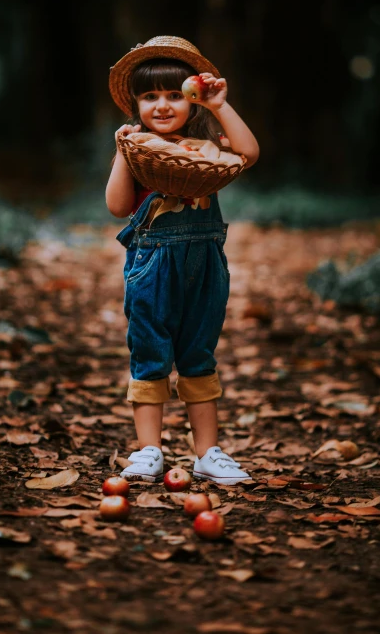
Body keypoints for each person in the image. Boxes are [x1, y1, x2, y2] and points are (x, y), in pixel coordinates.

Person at [106, 35, 259, 485]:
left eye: (175, 94)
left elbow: (248, 153)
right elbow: (118, 207)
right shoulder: (137, 147)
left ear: (190, 101)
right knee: (150, 351)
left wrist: (218, 105)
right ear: (135, 104)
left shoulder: (208, 145)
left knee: (198, 354)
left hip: (205, 264)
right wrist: (121, 152)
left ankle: (207, 452)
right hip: (151, 266)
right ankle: (148, 450)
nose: (163, 105)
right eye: (150, 96)